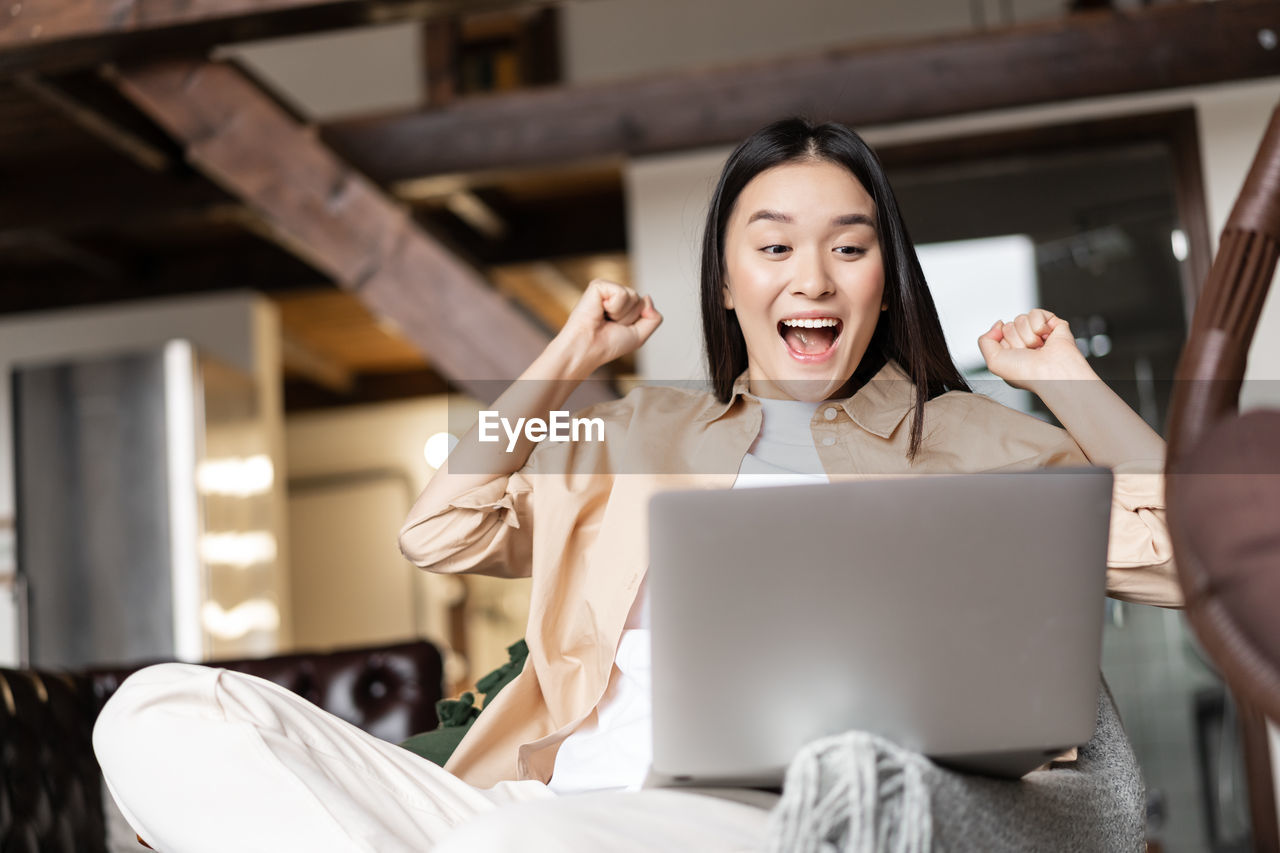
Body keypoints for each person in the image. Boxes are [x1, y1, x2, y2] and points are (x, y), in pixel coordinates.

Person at [93, 118, 1180, 852]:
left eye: (847, 249)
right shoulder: (626, 432)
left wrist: (1066, 383)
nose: (809, 277)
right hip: (525, 810)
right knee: (159, 709)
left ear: (883, 277)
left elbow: (1186, 565)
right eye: (773, 247)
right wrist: (559, 362)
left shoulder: (974, 442)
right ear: (724, 278)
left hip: (745, 821)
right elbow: (443, 528)